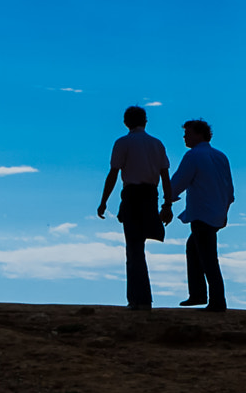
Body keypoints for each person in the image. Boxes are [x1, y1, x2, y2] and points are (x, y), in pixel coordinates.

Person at [97, 106, 171, 310]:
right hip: (151, 196)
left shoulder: (123, 143)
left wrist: (103, 201)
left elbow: (113, 174)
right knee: (139, 248)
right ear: (145, 121)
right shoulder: (157, 144)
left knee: (134, 249)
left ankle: (137, 299)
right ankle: (143, 298)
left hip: (132, 196)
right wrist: (167, 203)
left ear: (126, 122)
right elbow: (165, 176)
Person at [162, 119, 234, 311]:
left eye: (188, 133)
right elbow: (229, 189)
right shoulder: (221, 156)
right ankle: (198, 294)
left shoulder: (193, 156)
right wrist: (224, 210)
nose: (185, 136)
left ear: (199, 134)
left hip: (202, 212)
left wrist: (167, 200)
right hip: (216, 212)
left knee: (207, 256)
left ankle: (216, 300)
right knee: (194, 248)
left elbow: (179, 181)